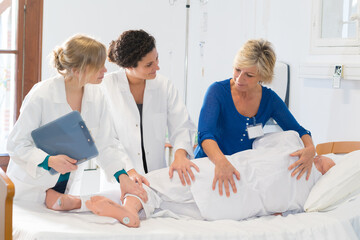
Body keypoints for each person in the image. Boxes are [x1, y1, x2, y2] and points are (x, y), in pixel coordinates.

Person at [6, 34, 147, 211]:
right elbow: (16, 144)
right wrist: (49, 161)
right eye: (99, 66)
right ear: (78, 70)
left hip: (62, 186)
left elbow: (105, 144)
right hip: (29, 188)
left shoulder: (96, 96)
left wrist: (123, 177)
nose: (105, 71)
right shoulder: (42, 94)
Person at [84, 131, 333, 228]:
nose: (327, 165)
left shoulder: (292, 146)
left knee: (153, 184)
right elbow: (280, 211)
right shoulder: (306, 198)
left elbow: (261, 142)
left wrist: (306, 144)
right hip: (232, 206)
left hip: (221, 175)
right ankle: (129, 211)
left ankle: (128, 210)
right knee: (171, 208)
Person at [194, 39, 315, 197]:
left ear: (262, 76)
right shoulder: (217, 92)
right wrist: (221, 162)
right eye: (237, 70)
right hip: (210, 163)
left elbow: (298, 130)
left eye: (249, 75)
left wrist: (310, 149)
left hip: (241, 170)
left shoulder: (269, 100)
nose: (239, 79)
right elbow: (205, 134)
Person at [102, 29, 198, 186]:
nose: (157, 67)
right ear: (129, 66)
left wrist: (180, 155)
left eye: (157, 59)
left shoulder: (163, 85)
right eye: (149, 65)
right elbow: (107, 138)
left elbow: (182, 125)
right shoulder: (106, 87)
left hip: (157, 175)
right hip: (121, 177)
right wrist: (129, 171)